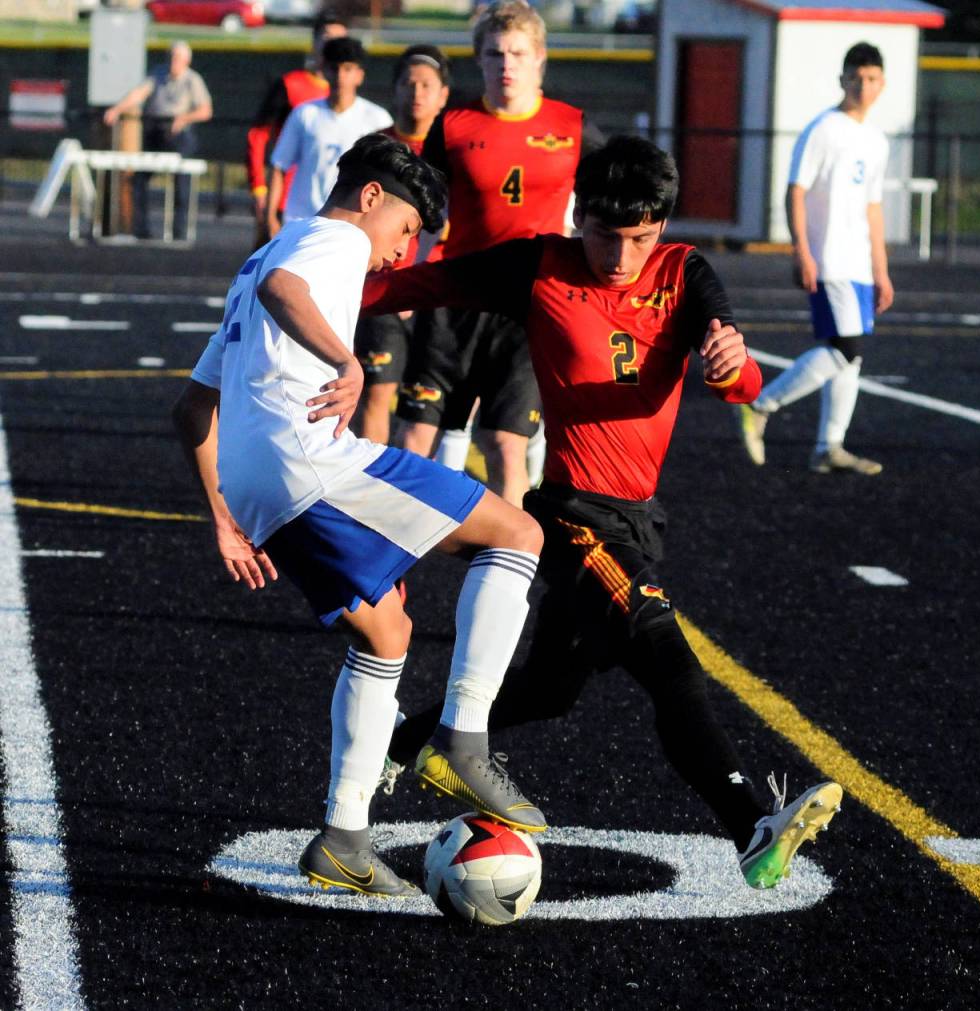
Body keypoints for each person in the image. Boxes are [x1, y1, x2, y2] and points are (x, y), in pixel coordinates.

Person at [347, 135, 843, 890]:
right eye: (607, 233)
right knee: (670, 661)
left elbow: (738, 379)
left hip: (640, 518)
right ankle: (752, 828)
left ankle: (400, 740)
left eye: (641, 237)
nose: (621, 254)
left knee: (547, 692)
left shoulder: (685, 273)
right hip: (576, 518)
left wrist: (732, 364)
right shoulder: (538, 265)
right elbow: (415, 288)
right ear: (579, 214)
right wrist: (309, 277)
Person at [172, 134, 546, 900]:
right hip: (308, 459)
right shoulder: (332, 238)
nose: (402, 254)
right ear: (371, 197)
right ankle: (464, 738)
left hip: (256, 485)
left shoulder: (263, 253)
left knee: (387, 631)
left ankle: (343, 838)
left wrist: (222, 515)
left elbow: (191, 407)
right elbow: (287, 288)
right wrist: (346, 362)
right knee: (519, 532)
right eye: (407, 230)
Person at [393, 0, 603, 507]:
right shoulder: (453, 126)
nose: (506, 63)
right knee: (411, 443)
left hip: (527, 311)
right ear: (479, 59)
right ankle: (387, 572)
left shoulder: (573, 128)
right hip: (453, 305)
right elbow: (422, 209)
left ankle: (506, 574)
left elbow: (613, 202)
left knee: (505, 447)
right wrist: (405, 276)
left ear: (539, 59)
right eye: (495, 53)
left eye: (517, 52)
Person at [738, 41, 893, 475]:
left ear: (883, 84)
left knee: (850, 357)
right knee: (846, 349)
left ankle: (829, 447)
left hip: (860, 264)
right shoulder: (823, 129)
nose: (864, 86)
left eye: (872, 79)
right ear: (842, 80)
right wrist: (801, 249)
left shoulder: (876, 140)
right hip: (830, 258)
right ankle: (762, 405)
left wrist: (881, 270)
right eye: (856, 78)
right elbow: (796, 190)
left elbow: (873, 207)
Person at [352, 45, 451, 445]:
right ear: (393, 90)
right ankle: (371, 497)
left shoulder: (458, 148)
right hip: (383, 287)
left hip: (440, 294)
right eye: (408, 83)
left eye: (427, 84)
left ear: (443, 93)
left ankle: (417, 500)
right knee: (374, 394)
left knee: (430, 406)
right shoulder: (375, 148)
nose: (417, 92)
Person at [266, 37, 392, 238]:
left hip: (352, 227)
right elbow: (279, 166)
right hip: (302, 222)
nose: (341, 76)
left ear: (360, 75)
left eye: (348, 69)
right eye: (335, 68)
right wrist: (270, 216)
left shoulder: (377, 120)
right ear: (324, 70)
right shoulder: (304, 114)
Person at [246, 10, 348, 248]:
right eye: (327, 37)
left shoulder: (355, 104)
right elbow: (257, 136)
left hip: (334, 207)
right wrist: (259, 188)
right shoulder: (291, 86)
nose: (333, 45)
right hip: (286, 204)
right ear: (315, 42)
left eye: (339, 39)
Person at [103, 41, 212, 241]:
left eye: (178, 58)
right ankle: (141, 229)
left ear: (186, 61)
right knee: (138, 179)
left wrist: (183, 118)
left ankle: (179, 233)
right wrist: (117, 109)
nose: (173, 62)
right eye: (171, 57)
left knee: (182, 182)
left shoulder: (193, 80)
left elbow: (205, 111)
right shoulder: (158, 74)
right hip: (155, 131)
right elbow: (138, 94)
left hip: (179, 134)